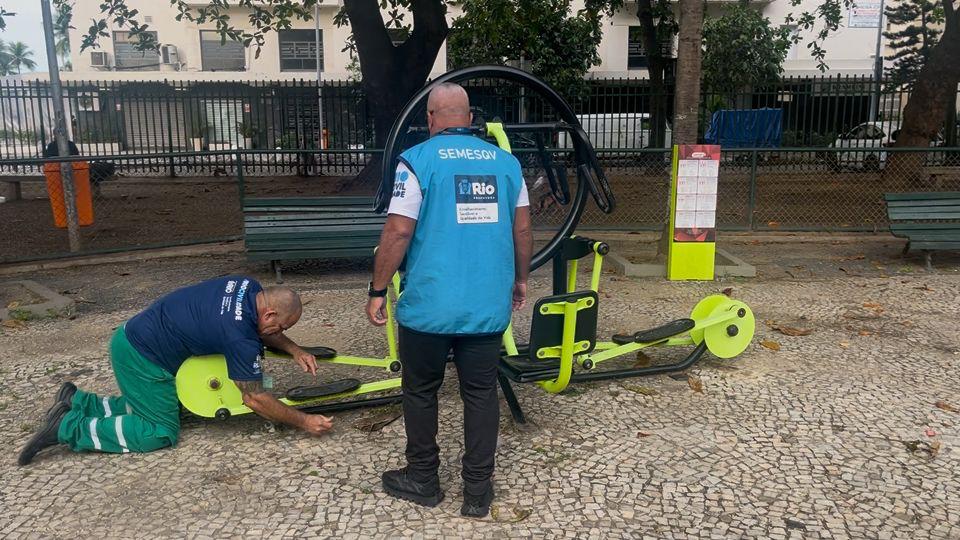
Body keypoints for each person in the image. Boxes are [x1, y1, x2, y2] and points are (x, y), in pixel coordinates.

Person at [365, 83, 533, 517]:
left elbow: (399, 231)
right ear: (470, 116)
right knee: (480, 392)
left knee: (421, 391)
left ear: (431, 118)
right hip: (485, 306)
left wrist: (378, 289)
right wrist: (520, 280)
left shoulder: (417, 162)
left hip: (428, 308)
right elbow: (522, 231)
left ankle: (423, 478)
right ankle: (478, 490)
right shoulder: (508, 164)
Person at [18, 276, 333, 465]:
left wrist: (295, 349)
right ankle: (69, 428)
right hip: (142, 357)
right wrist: (304, 421)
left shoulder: (247, 285)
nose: (279, 331)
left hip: (132, 334)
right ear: (270, 313)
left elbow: (260, 329)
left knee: (160, 403)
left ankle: (79, 402)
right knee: (158, 431)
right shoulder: (239, 336)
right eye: (280, 326)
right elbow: (255, 399)